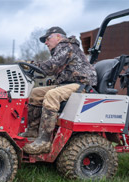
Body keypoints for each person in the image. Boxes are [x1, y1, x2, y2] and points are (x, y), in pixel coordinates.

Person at [20, 26, 97, 155]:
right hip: (67, 84)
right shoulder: (62, 49)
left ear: (58, 37)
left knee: (52, 95)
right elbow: (50, 68)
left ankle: (44, 141)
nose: (45, 42)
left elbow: (51, 67)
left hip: (81, 84)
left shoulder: (67, 46)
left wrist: (29, 63)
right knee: (35, 93)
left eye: (47, 39)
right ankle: (33, 131)